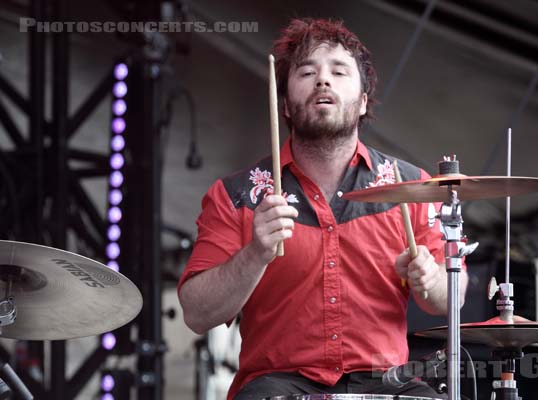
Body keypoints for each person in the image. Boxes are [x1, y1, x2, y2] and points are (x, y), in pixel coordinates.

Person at [178, 18, 468, 400]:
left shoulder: (408, 185)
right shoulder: (238, 195)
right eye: (307, 71)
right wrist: (255, 254)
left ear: (363, 100)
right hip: (277, 381)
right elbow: (197, 314)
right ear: (284, 104)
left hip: (384, 380)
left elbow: (453, 296)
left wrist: (430, 281)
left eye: (339, 71)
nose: (323, 81)